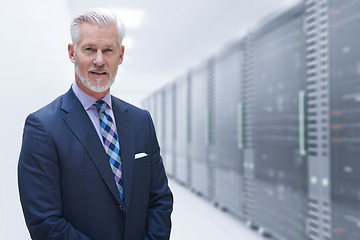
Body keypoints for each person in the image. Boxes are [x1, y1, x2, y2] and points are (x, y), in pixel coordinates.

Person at [18, 8, 173, 240]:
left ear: (120, 55)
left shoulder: (141, 121)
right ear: (72, 53)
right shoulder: (42, 128)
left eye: (108, 50)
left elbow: (159, 199)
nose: (99, 60)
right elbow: (45, 223)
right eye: (89, 49)